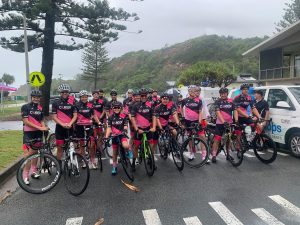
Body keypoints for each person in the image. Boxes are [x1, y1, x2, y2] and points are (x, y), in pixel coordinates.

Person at [21, 90, 49, 185]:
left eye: (38, 97)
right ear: (31, 97)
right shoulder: (25, 107)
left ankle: (33, 172)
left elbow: (41, 120)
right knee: (29, 155)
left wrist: (44, 127)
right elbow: (26, 121)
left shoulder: (40, 108)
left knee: (36, 152)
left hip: (38, 133)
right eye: (34, 97)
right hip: (29, 133)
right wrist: (40, 127)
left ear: (39, 98)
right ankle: (25, 175)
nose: (36, 99)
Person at [130, 88, 156, 171]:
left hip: (148, 128)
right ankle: (133, 162)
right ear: (140, 96)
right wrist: (136, 129)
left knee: (151, 146)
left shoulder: (150, 104)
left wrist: (154, 127)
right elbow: (133, 118)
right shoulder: (135, 105)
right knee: (136, 146)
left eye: (145, 95)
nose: (144, 97)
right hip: (139, 129)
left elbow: (154, 116)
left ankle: (151, 159)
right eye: (142, 95)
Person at [211, 87, 238, 163]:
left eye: (224, 93)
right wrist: (223, 122)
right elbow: (218, 112)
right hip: (220, 123)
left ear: (227, 93)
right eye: (221, 94)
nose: (223, 95)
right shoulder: (217, 102)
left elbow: (235, 110)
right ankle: (213, 155)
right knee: (217, 139)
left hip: (229, 123)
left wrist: (236, 120)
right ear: (220, 94)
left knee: (229, 139)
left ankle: (228, 155)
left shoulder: (231, 101)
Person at [52, 84, 77, 164]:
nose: (65, 93)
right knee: (60, 148)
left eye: (66, 92)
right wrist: (62, 124)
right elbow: (54, 116)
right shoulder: (56, 103)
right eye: (63, 92)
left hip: (70, 127)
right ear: (60, 93)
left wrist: (70, 123)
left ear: (68, 93)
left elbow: (75, 115)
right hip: (60, 128)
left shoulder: (73, 102)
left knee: (72, 147)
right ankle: (59, 166)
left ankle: (72, 163)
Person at [180, 85, 207, 161]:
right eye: (191, 91)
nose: (192, 92)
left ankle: (204, 155)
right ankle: (191, 153)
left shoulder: (199, 100)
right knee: (190, 138)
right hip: (188, 121)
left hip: (197, 121)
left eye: (194, 91)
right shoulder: (184, 100)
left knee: (202, 137)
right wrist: (182, 116)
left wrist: (199, 122)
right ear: (188, 92)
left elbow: (200, 111)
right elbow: (180, 107)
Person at [75, 90, 101, 169]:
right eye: (82, 97)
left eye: (85, 97)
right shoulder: (76, 105)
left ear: (87, 97)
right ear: (80, 97)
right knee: (82, 144)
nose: (84, 98)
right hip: (79, 126)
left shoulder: (90, 105)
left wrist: (99, 122)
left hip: (89, 126)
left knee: (91, 145)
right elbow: (74, 116)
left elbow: (94, 115)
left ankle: (92, 160)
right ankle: (84, 160)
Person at [104, 101, 132, 175]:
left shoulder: (123, 116)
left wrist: (125, 129)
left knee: (125, 145)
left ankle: (129, 150)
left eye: (118, 107)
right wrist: (106, 137)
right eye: (115, 108)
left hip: (122, 134)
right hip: (114, 136)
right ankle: (114, 167)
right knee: (115, 153)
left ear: (120, 108)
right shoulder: (110, 117)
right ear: (112, 108)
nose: (116, 109)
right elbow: (109, 128)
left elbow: (126, 125)